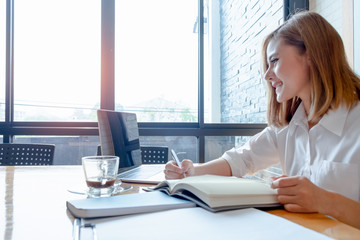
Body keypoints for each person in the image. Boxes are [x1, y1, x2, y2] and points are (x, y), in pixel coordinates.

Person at [164, 11, 360, 229]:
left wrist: (325, 201)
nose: (267, 75)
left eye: (274, 60)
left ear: (312, 54)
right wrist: (191, 172)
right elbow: (242, 159)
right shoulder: (288, 126)